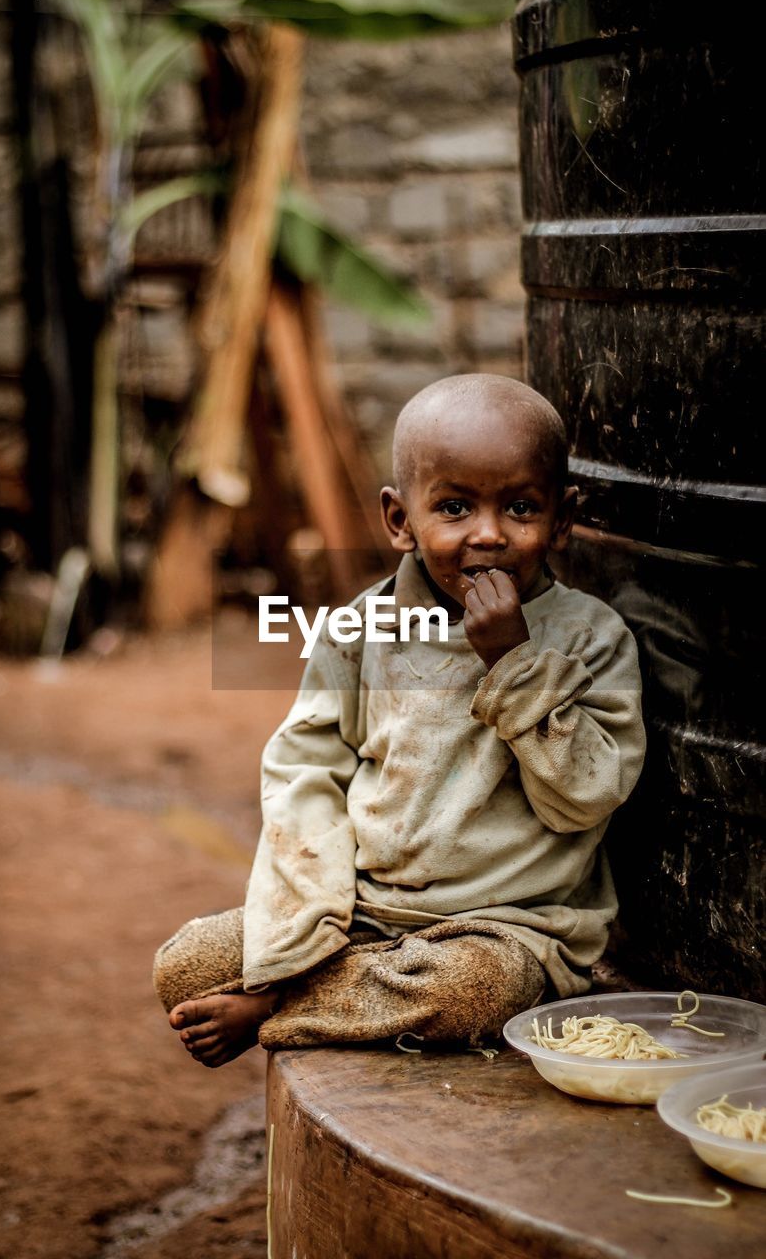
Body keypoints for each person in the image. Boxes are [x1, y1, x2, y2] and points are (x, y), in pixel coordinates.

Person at [153, 373, 646, 1068]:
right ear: (398, 520)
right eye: (452, 506)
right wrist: (304, 930)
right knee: (185, 965)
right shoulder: (358, 632)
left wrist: (512, 662)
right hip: (361, 916)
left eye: (520, 508)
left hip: (506, 928)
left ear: (561, 518)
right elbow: (305, 777)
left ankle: (279, 1011)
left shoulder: (590, 637)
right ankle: (328, 989)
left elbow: (583, 799)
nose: (488, 534)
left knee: (472, 991)